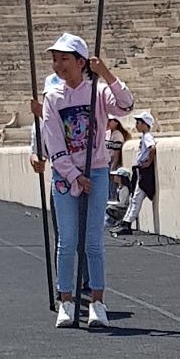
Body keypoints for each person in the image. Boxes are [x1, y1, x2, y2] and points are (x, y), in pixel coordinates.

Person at [41, 32, 134, 328]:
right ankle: (65, 301)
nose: (58, 64)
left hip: (94, 170)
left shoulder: (98, 92)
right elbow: (54, 143)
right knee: (67, 241)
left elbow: (127, 104)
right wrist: (74, 176)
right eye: (55, 59)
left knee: (93, 242)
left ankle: (98, 302)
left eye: (64, 59)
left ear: (81, 62)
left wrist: (105, 71)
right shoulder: (52, 98)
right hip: (66, 174)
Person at [30, 72, 92, 305]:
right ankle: (63, 286)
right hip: (61, 180)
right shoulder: (40, 123)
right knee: (64, 236)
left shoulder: (79, 115)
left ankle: (88, 282)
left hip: (83, 176)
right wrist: (35, 159)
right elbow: (37, 149)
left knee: (86, 234)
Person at [113, 111, 156, 235]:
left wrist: (148, 162)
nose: (137, 125)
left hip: (143, 170)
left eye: (139, 123)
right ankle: (126, 221)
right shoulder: (144, 136)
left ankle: (127, 223)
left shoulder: (147, 136)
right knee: (134, 198)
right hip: (139, 169)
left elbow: (151, 148)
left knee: (137, 197)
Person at [105, 118, 131, 201]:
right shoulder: (107, 134)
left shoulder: (118, 135)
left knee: (112, 184)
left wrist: (113, 166)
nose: (108, 122)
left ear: (116, 122)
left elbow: (117, 152)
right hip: (106, 160)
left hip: (112, 161)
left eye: (110, 120)